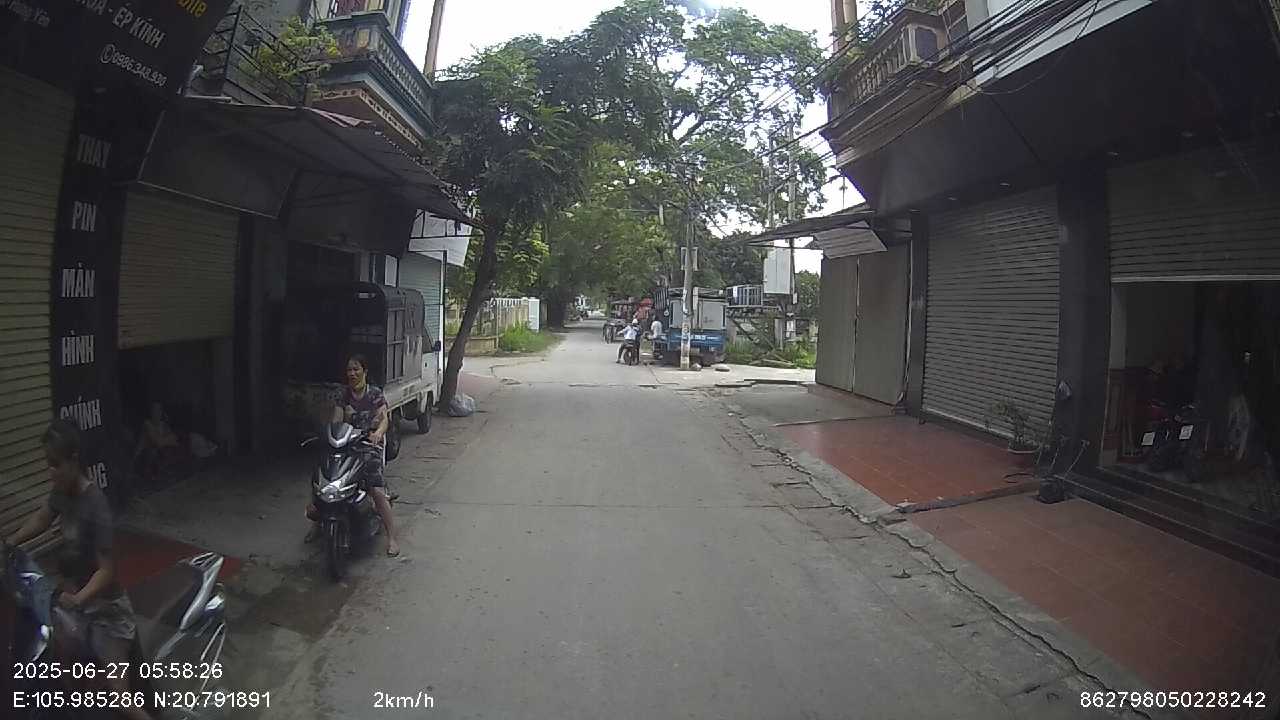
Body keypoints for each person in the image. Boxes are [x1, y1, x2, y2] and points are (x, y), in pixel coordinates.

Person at [6, 419, 153, 720]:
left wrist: (78, 599)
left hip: (107, 614)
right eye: (47, 463)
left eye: (55, 464)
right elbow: (42, 518)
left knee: (122, 701)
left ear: (74, 461)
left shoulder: (95, 505)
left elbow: (106, 571)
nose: (50, 471)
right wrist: (11, 541)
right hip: (76, 610)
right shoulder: (62, 492)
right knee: (65, 673)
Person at [332, 354, 400, 557]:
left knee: (376, 490)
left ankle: (392, 538)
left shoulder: (375, 394)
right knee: (328, 481)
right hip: (347, 446)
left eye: (356, 369)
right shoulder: (343, 395)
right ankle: (318, 524)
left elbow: (384, 419)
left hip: (370, 446)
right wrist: (334, 431)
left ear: (364, 371)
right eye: (349, 370)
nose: (352, 373)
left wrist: (378, 433)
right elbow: (336, 422)